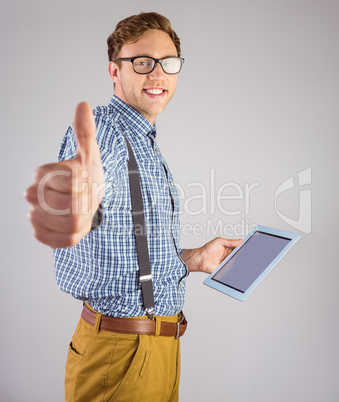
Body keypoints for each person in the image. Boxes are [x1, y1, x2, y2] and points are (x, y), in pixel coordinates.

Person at [25, 11, 242, 402]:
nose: (157, 74)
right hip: (121, 352)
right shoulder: (101, 130)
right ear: (115, 70)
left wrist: (191, 259)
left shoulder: (140, 138)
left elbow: (125, 245)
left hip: (160, 347)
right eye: (142, 63)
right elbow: (74, 252)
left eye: (168, 63)